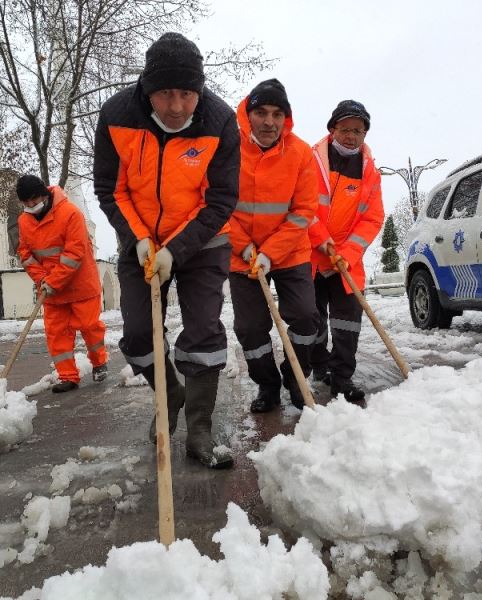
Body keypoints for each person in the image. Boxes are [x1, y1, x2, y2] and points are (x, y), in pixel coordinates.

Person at [93, 32, 239, 469]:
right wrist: (138, 238)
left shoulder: (220, 121)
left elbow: (221, 199)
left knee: (203, 330)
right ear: (146, 88)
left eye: (187, 94)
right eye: (165, 94)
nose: (176, 107)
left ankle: (200, 428)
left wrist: (176, 249)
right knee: (138, 336)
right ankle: (169, 393)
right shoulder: (118, 115)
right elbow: (109, 189)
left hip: (202, 240)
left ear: (200, 90)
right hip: (140, 240)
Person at [228, 79, 319, 413]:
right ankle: (267, 385)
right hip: (241, 256)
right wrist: (246, 249)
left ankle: (296, 377)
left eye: (277, 114)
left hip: (290, 251)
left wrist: (270, 252)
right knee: (250, 328)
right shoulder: (228, 148)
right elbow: (217, 205)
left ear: (286, 117)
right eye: (261, 112)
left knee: (305, 317)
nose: (269, 121)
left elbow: (304, 211)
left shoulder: (300, 153)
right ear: (248, 114)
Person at [309, 100, 384, 402]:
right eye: (345, 129)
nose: (351, 136)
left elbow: (373, 217)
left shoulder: (370, 173)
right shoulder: (311, 161)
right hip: (311, 255)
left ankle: (342, 377)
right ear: (332, 129)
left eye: (358, 131)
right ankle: (318, 365)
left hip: (345, 259)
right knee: (311, 320)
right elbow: (301, 207)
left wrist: (347, 252)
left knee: (348, 320)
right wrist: (323, 242)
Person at [15, 174, 108, 393]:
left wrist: (54, 280)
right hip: (51, 291)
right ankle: (67, 376)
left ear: (44, 195)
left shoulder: (70, 214)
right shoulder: (24, 221)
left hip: (81, 285)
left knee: (89, 328)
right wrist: (41, 279)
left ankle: (99, 362)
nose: (31, 206)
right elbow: (25, 254)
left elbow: (74, 252)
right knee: (57, 334)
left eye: (34, 200)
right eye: (26, 203)